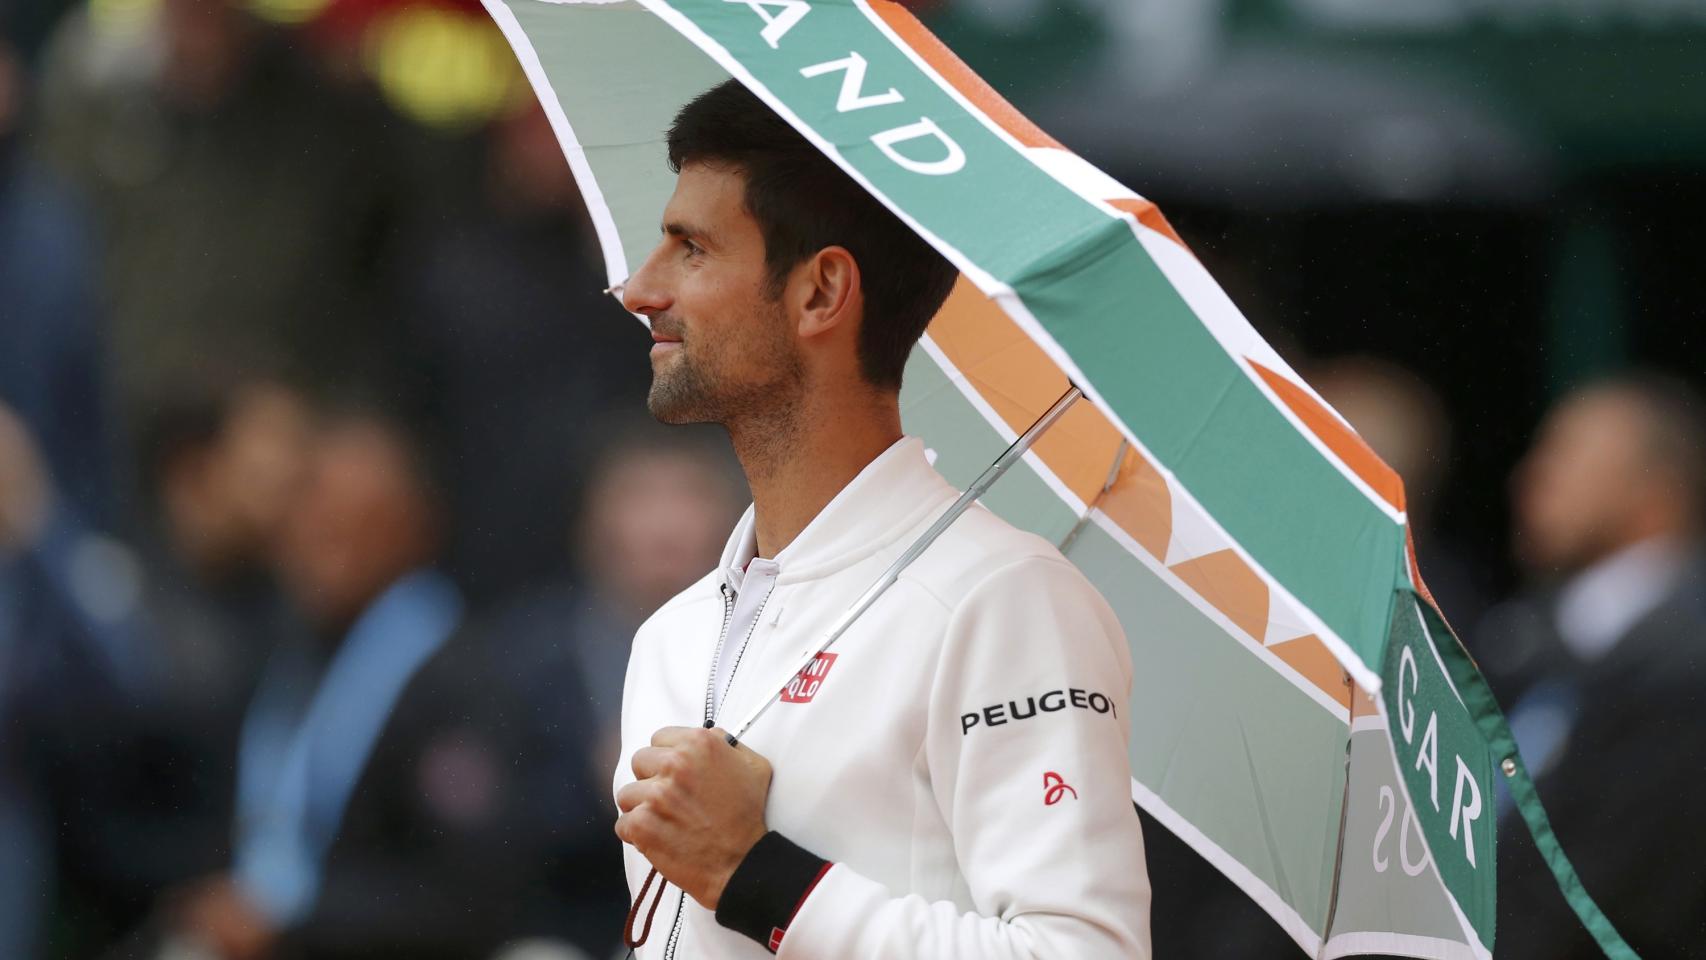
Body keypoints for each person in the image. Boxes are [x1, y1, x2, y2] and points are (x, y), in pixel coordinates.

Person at [611, 79, 1151, 959]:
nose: (640, 287)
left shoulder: (1004, 601)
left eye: (691, 249)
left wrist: (762, 877)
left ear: (822, 292)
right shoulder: (671, 636)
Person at [1474, 374, 1706, 959]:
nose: (1529, 479)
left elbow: (1620, 886)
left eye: (1566, 456)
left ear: (1655, 489)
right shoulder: (1517, 633)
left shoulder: (1687, 661)